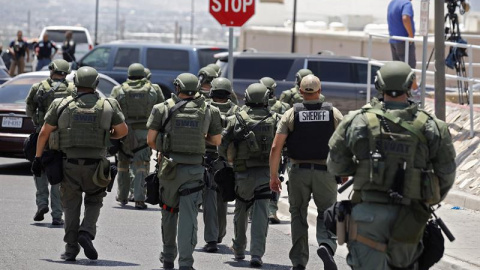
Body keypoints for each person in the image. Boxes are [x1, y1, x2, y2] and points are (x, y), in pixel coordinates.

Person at [327, 61, 456, 270]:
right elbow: (446, 174)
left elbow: (335, 165)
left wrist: (363, 169)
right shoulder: (432, 126)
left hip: (366, 216)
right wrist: (425, 200)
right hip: (410, 218)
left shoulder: (357, 120)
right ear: (410, 85)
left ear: (379, 85)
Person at [32, 66, 128, 261]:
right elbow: (123, 131)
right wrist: (108, 135)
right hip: (97, 165)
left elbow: (44, 132)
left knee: (70, 206)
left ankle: (70, 249)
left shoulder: (61, 104)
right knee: (94, 200)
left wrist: (38, 157)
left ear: (75, 83)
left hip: (69, 165)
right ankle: (86, 232)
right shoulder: (108, 105)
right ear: (96, 84)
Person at [146, 73, 223, 270]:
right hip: (194, 171)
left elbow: (151, 140)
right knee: (189, 216)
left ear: (177, 88)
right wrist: (198, 139)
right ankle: (186, 263)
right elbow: (216, 141)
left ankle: (169, 257)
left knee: (169, 213)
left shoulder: (162, 108)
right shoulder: (209, 110)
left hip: (169, 169)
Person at [270, 75, 342, 270]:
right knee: (327, 212)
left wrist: (274, 176)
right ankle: (326, 244)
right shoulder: (333, 113)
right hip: (325, 172)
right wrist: (344, 170)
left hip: (298, 172)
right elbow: (344, 143)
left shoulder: (292, 113)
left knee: (298, 214)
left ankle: (299, 261)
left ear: (300, 91)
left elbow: (276, 147)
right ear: (320, 90)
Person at [220, 83, 280, 267]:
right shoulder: (276, 118)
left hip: (242, 173)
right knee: (261, 214)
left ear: (246, 98)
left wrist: (227, 162)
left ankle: (238, 248)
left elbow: (222, 145)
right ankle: (256, 254)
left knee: (241, 209)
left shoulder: (236, 119)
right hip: (266, 173)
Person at [25, 59, 76, 226]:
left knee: (38, 167)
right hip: (62, 137)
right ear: (66, 73)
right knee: (58, 173)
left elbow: (29, 108)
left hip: (42, 133)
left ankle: (42, 204)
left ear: (52, 70)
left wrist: (38, 122)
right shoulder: (71, 89)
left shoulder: (39, 87)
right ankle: (56, 215)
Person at [111, 63, 163, 209]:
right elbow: (161, 111)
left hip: (124, 132)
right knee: (141, 165)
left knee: (123, 163)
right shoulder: (154, 89)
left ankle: (122, 196)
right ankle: (140, 199)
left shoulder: (118, 90)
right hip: (145, 133)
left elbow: (111, 111)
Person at [202, 77, 240, 253]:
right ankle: (219, 234)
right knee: (223, 197)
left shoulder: (204, 108)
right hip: (227, 161)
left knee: (209, 197)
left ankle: (211, 238)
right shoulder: (236, 111)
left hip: (206, 158)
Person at [259, 76, 290, 224]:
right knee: (275, 178)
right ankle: (271, 210)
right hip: (277, 150)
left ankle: (255, 211)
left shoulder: (254, 104)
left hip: (258, 150)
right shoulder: (283, 107)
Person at [387, 0, 416, 70]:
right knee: (409, 68)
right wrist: (411, 35)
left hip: (393, 41)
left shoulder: (392, 3)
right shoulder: (406, 4)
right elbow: (405, 18)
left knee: (397, 69)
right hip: (404, 41)